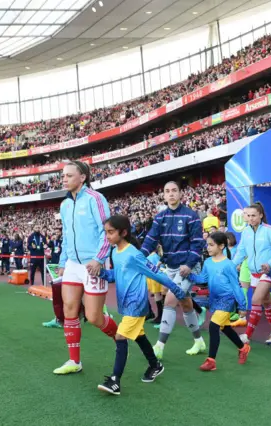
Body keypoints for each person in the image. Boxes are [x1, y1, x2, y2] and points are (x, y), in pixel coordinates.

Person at [97, 215, 188, 395]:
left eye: (111, 232)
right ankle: (155, 365)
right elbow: (117, 274)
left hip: (136, 304)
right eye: (106, 232)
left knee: (121, 337)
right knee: (139, 335)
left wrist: (177, 291)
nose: (107, 236)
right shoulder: (115, 252)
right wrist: (102, 274)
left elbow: (158, 275)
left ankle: (115, 380)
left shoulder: (134, 254)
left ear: (123, 232)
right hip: (126, 304)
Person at [53, 161, 116, 375]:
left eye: (69, 175)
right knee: (69, 311)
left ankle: (120, 337)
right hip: (72, 264)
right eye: (63, 175)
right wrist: (63, 262)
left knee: (93, 317)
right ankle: (74, 361)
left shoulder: (95, 199)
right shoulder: (64, 205)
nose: (64, 179)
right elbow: (66, 236)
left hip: (93, 263)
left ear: (83, 177)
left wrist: (99, 259)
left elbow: (107, 231)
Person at [141, 181, 207, 360]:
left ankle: (159, 347)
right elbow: (150, 240)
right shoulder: (160, 217)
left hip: (187, 266)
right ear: (163, 195)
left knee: (170, 300)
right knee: (185, 303)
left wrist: (188, 264)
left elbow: (197, 243)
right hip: (170, 266)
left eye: (174, 191)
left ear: (180, 193)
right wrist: (139, 258)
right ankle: (199, 342)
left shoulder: (191, 216)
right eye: (167, 191)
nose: (171, 194)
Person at [189, 232, 251, 371]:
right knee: (225, 327)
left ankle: (211, 361)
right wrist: (190, 275)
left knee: (213, 326)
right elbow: (202, 279)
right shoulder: (208, 262)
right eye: (207, 245)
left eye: (211, 245)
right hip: (214, 299)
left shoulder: (229, 265)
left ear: (222, 246)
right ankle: (243, 348)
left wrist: (242, 305)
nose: (208, 248)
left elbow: (236, 286)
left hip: (227, 300)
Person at [232, 202, 271, 345]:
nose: (251, 218)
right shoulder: (245, 232)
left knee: (255, 300)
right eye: (248, 215)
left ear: (261, 215)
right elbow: (240, 252)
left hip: (269, 272)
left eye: (254, 215)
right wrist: (230, 266)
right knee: (267, 303)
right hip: (253, 273)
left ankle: (247, 335)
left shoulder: (270, 230)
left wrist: (269, 264)